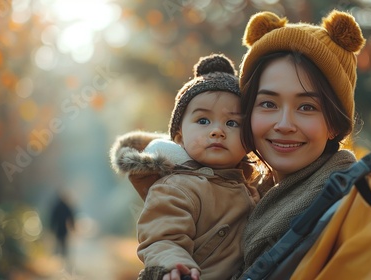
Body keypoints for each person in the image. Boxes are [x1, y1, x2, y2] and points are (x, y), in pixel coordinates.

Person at [167, 9, 371, 280]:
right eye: (268, 103)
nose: (284, 124)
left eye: (306, 107)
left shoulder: (360, 199)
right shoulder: (242, 193)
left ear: (334, 125)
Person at [110, 54, 263, 280]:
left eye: (232, 123)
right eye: (203, 121)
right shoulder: (176, 187)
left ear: (248, 138)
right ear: (179, 137)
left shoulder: (253, 185)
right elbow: (162, 237)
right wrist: (173, 263)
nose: (217, 131)